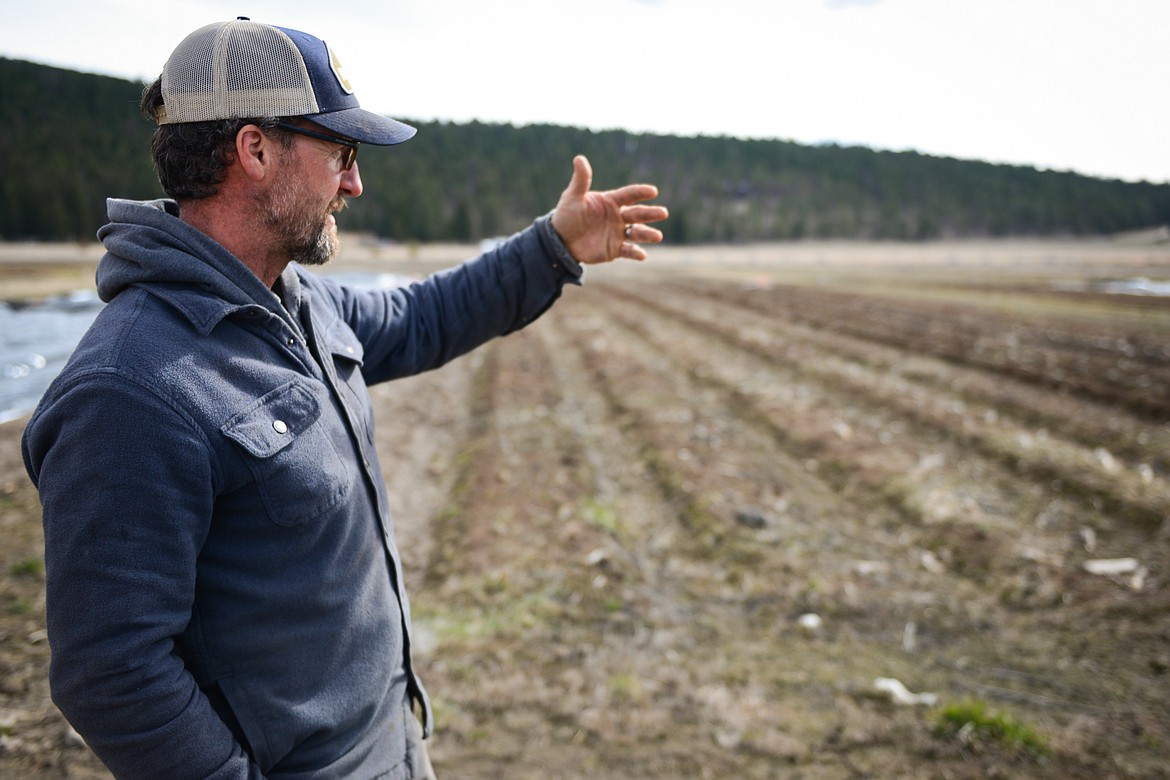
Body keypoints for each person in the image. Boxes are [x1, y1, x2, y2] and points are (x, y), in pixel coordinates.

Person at [20, 17, 667, 780]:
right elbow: (112, 671)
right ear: (254, 151)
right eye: (341, 153)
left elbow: (425, 316)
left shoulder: (295, 303)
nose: (355, 183)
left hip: (392, 743)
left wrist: (551, 248)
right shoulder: (130, 390)